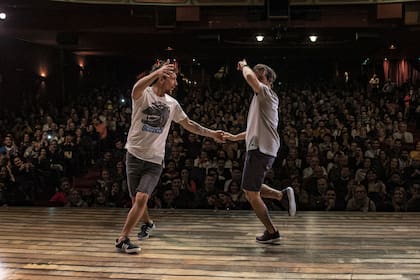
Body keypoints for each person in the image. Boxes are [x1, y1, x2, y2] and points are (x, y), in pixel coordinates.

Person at [115, 60, 224, 254]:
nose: (176, 83)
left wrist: (212, 134)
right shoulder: (143, 95)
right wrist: (156, 72)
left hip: (154, 159)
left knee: (141, 198)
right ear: (162, 78)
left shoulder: (172, 104)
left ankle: (123, 238)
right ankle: (148, 223)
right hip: (133, 154)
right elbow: (136, 87)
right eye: (173, 79)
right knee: (137, 201)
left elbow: (190, 124)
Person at [223, 59, 296, 244]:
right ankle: (282, 196)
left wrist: (244, 65)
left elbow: (248, 76)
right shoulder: (260, 100)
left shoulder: (266, 94)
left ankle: (272, 232)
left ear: (269, 80)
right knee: (250, 188)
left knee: (251, 193)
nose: (255, 78)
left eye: (260, 76)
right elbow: (254, 130)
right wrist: (233, 137)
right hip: (260, 147)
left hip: (261, 150)